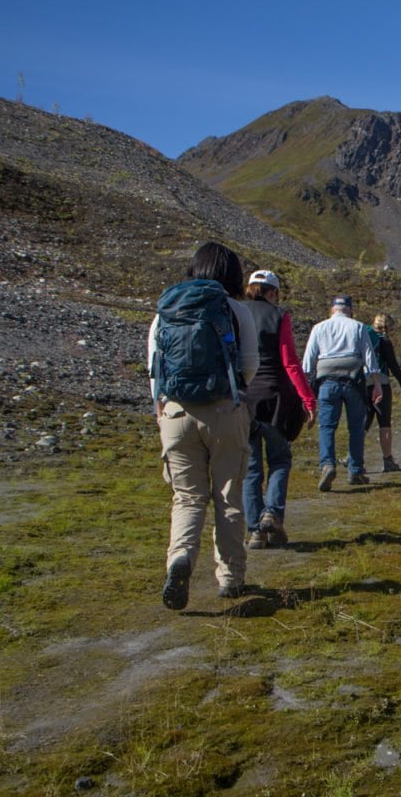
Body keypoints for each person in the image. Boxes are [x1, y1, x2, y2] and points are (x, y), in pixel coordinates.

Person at [148, 242, 258, 610]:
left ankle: (179, 561)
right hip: (225, 410)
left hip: (176, 414)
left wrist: (162, 408)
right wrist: (232, 390)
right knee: (228, 496)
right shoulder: (235, 309)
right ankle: (230, 578)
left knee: (188, 497)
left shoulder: (167, 308)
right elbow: (249, 364)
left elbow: (155, 367)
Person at [243, 269, 318, 549]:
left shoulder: (236, 313)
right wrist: (308, 400)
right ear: (272, 292)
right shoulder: (279, 316)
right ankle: (271, 515)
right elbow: (290, 362)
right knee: (280, 459)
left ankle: (254, 531)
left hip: (245, 399)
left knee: (250, 468)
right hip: (274, 399)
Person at [302, 295, 381, 490]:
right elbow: (369, 357)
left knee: (327, 426)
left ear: (332, 310)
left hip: (327, 381)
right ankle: (355, 470)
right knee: (356, 427)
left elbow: (307, 361)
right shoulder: (358, 327)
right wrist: (377, 384)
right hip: (353, 379)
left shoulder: (319, 328)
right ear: (350, 310)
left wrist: (304, 389)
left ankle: (327, 464)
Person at [365, 313, 401, 472]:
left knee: (363, 422)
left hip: (363, 383)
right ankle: (388, 461)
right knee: (384, 423)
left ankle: (352, 456)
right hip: (382, 382)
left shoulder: (362, 335)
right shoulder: (384, 341)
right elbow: (393, 365)